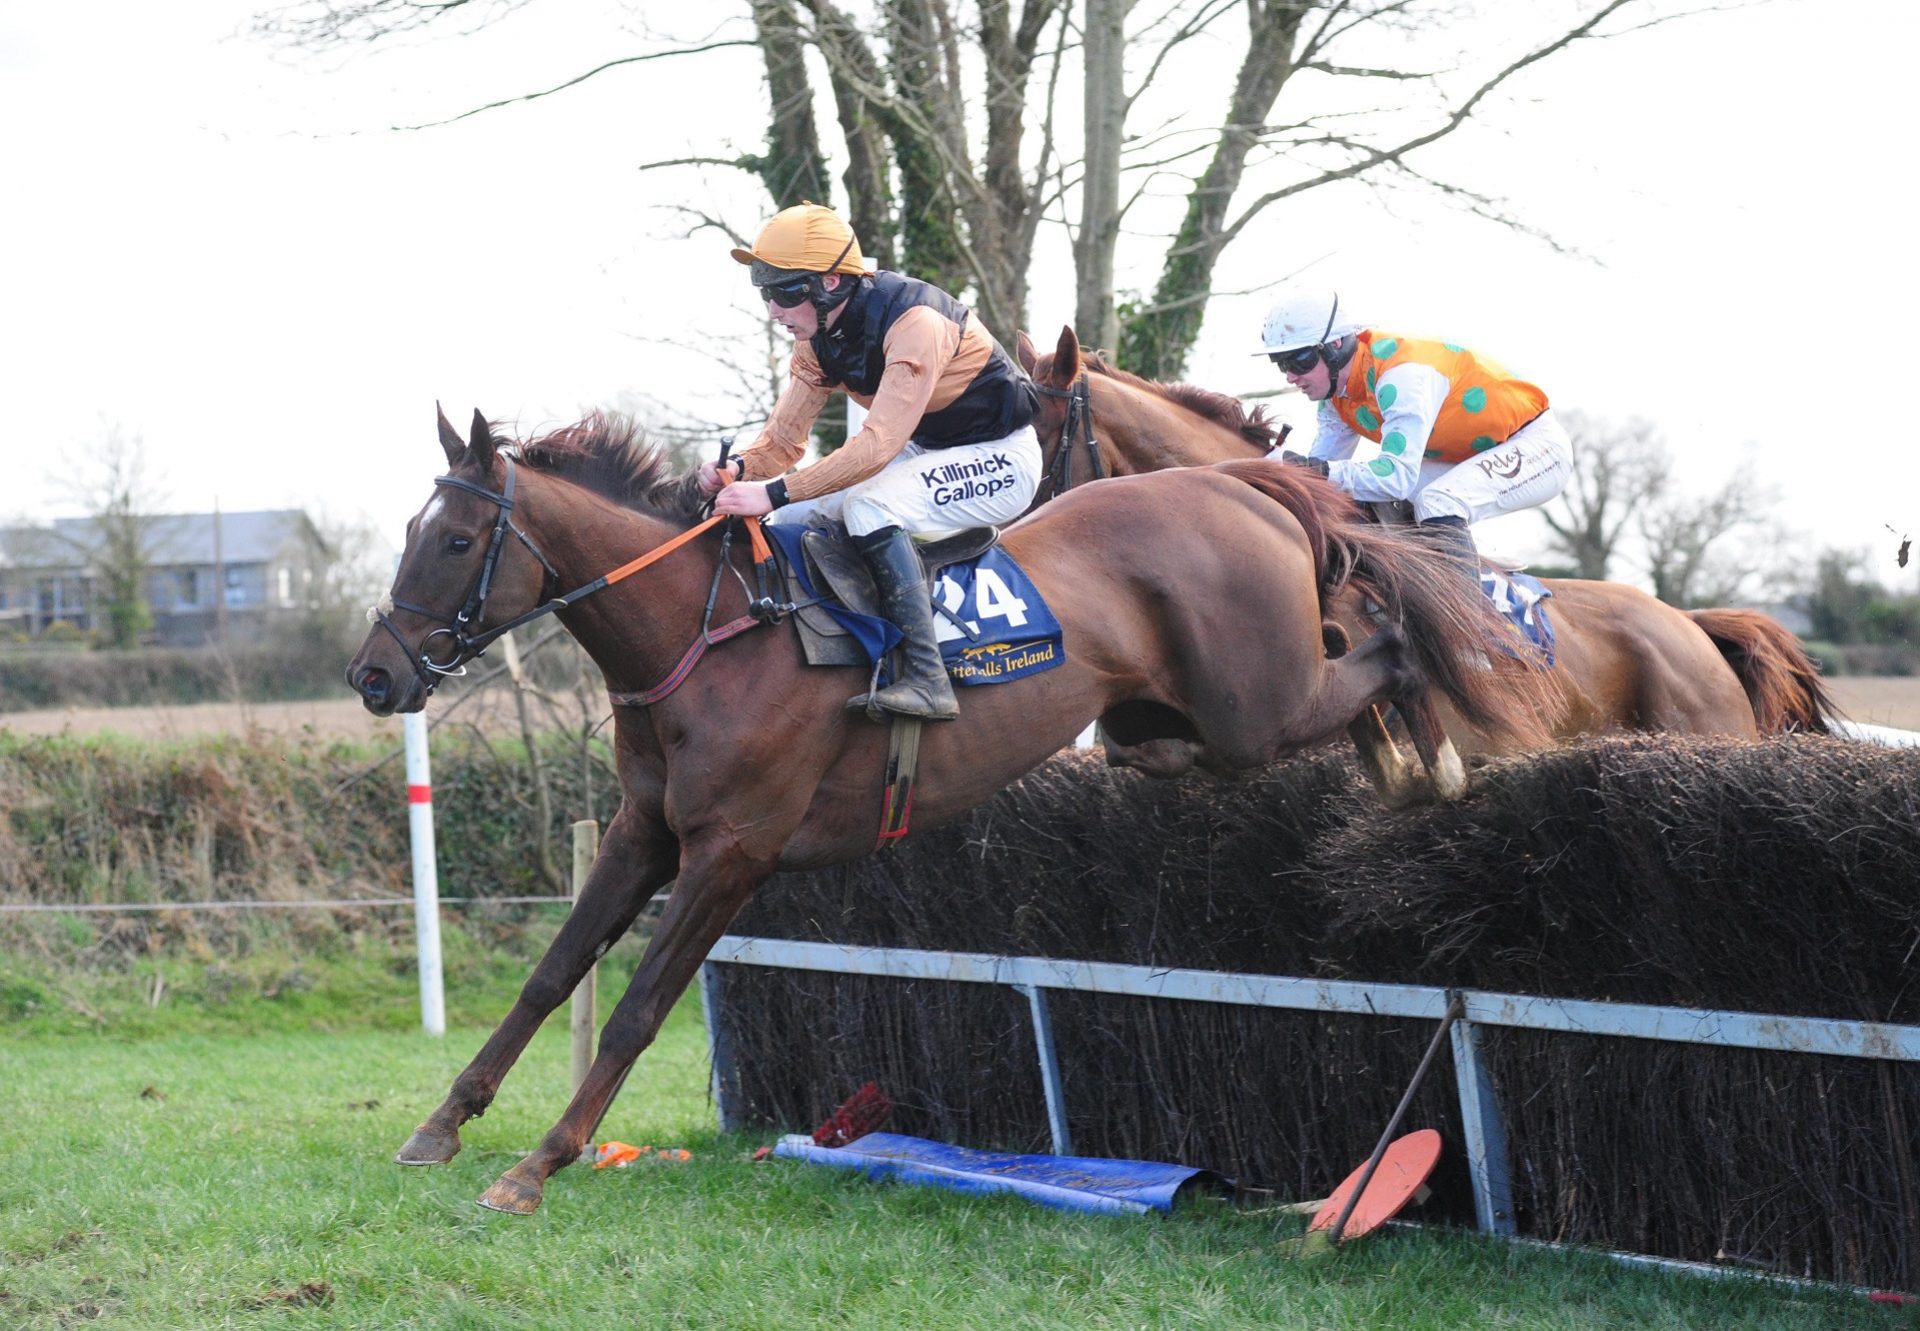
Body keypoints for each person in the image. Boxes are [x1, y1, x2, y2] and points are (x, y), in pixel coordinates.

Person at [700, 202, 1042, 721]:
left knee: (867, 508)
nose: (773, 310)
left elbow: (876, 446)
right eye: (765, 292)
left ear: (831, 282)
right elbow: (783, 444)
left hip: (999, 457)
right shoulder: (816, 341)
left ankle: (927, 679)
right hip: (924, 449)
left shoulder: (916, 322)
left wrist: (772, 490)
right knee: (788, 518)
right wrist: (739, 470)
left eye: (786, 292)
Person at [1256, 287, 1573, 573]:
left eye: (1299, 360)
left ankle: (1462, 618)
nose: (1290, 377)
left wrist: (1309, 468)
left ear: (1335, 345)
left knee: (1438, 503)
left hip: (1536, 445)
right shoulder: (1335, 398)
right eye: (1281, 364)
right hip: (1464, 457)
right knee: (1365, 501)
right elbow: (1321, 482)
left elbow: (1395, 478)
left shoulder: (1402, 376)